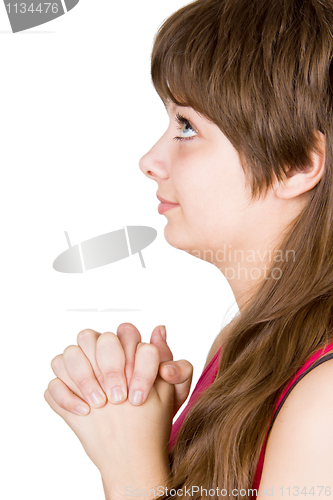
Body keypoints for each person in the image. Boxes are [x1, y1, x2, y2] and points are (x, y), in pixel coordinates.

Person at [44, 0, 333, 498]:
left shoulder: (324, 405)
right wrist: (144, 426)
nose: (149, 161)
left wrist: (131, 467)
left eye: (186, 127)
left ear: (297, 165)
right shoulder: (242, 347)